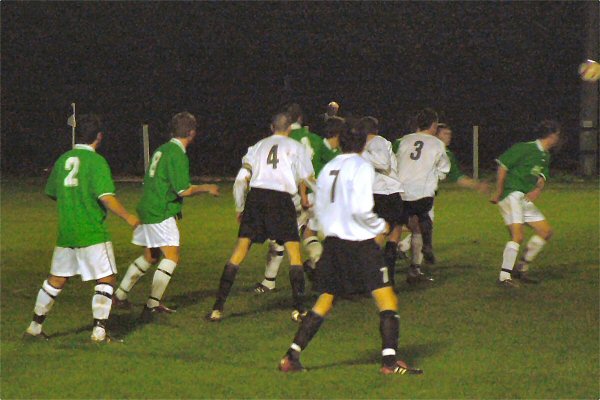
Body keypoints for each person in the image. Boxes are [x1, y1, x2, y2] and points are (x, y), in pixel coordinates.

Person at [278, 121, 423, 376]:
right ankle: (389, 363)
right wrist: (379, 225)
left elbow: (320, 206)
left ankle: (291, 356)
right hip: (360, 243)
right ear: (364, 142)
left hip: (334, 243)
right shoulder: (362, 166)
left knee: (325, 300)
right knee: (386, 298)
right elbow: (361, 207)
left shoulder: (329, 167)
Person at [24, 114, 140, 342]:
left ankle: (34, 327)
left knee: (56, 280)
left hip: (67, 233)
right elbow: (107, 197)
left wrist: (73, 203)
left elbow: (53, 193)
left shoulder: (63, 159)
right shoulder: (96, 162)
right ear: (99, 137)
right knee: (106, 279)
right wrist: (128, 217)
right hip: (92, 233)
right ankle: (99, 332)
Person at [207, 112, 315, 322]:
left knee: (239, 253)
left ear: (271, 127)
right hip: (281, 200)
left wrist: (240, 207)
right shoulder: (296, 147)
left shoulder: (257, 147)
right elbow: (308, 178)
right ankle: (299, 310)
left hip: (256, 199)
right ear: (289, 129)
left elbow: (240, 180)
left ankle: (217, 309)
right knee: (294, 254)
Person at [112, 112, 219, 321]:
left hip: (148, 207)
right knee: (172, 256)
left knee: (151, 256)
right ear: (192, 133)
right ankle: (152, 304)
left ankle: (120, 295)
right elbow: (182, 190)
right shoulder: (177, 153)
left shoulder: (162, 149)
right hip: (160, 211)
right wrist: (206, 187)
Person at [253, 113, 343, 293]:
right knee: (310, 234)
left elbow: (301, 172)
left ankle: (270, 282)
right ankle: (317, 266)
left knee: (280, 240)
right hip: (320, 195)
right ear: (301, 119)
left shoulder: (283, 140)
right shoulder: (316, 139)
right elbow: (330, 162)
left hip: (292, 196)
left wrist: (302, 195)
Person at [397, 123, 488, 255]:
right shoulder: (442, 151)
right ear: (435, 134)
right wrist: (478, 185)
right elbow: (459, 178)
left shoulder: (408, 142)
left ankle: (403, 247)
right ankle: (412, 262)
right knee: (421, 225)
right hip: (420, 194)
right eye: (445, 134)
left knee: (411, 224)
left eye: (450, 134)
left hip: (402, 190)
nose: (449, 137)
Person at [490, 120, 560, 288]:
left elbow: (542, 176)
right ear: (551, 136)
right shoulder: (524, 148)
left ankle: (521, 268)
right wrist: (499, 191)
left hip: (523, 198)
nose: (558, 139)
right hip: (511, 194)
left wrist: (537, 190)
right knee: (518, 236)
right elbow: (503, 166)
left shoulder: (546, 155)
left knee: (545, 231)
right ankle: (504, 276)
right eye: (557, 135)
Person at [395, 108, 450, 284]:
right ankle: (425, 248)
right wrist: (436, 175)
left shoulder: (403, 140)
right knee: (423, 220)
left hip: (400, 192)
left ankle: (396, 270)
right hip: (422, 192)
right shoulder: (437, 144)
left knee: (396, 229)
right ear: (434, 125)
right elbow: (444, 169)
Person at [360, 116, 404, 286]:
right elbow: (384, 163)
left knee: (395, 231)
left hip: (381, 192)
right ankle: (368, 276)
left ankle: (388, 278)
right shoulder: (377, 141)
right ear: (375, 130)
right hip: (385, 193)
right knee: (385, 233)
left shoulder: (371, 144)